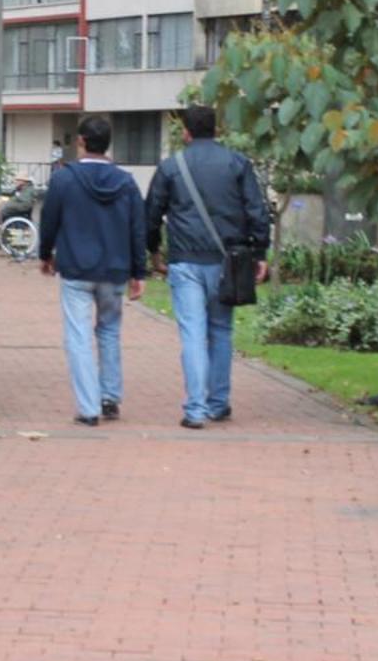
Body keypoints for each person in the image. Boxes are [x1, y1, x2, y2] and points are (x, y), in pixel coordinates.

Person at [144, 104, 271, 429]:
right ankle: (218, 402)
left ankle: (195, 409)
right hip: (228, 262)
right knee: (221, 331)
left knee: (192, 333)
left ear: (185, 132)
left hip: (185, 260)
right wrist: (259, 253)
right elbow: (257, 211)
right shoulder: (237, 164)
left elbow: (152, 213)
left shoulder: (172, 167)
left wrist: (153, 249)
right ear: (217, 130)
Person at [37, 116, 147, 427]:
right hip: (114, 270)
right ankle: (110, 397)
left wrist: (45, 255)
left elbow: (49, 220)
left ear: (81, 141)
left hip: (75, 269)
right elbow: (137, 229)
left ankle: (88, 408)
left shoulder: (63, 179)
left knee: (79, 335)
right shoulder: (126, 182)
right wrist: (139, 272)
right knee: (109, 331)